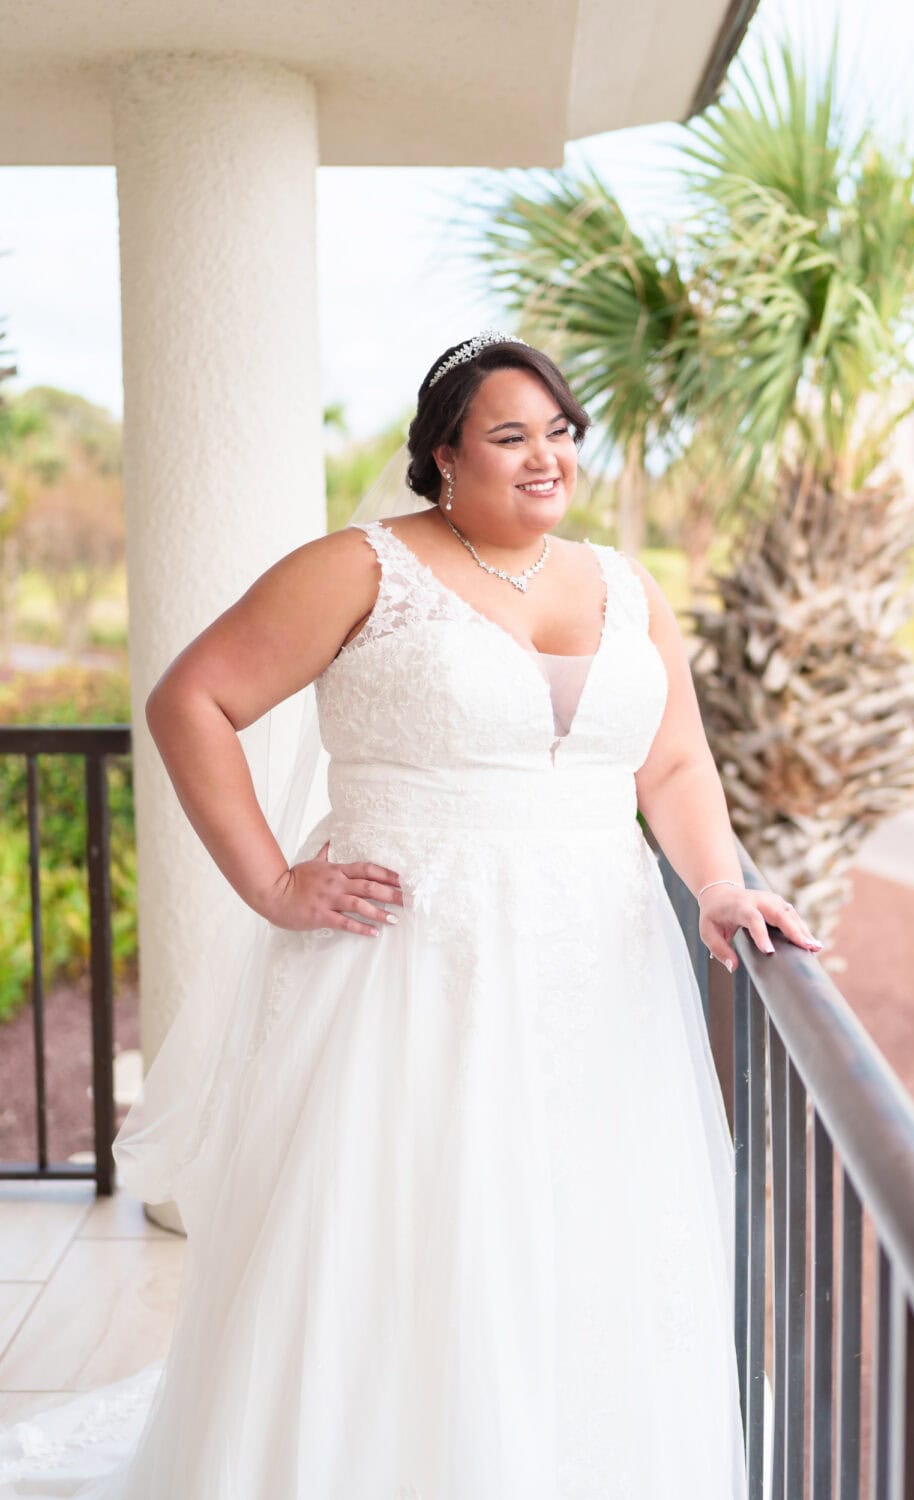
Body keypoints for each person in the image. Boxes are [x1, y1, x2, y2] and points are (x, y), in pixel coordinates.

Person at [0, 330, 820, 1498]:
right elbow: (191, 698)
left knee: (585, 1237)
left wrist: (721, 883)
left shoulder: (627, 588)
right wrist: (274, 881)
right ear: (443, 458)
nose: (545, 458)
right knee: (406, 1244)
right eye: (508, 436)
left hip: (600, 974)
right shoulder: (361, 566)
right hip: (408, 973)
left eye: (559, 433)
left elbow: (674, 768)